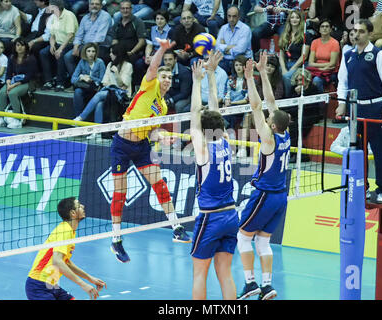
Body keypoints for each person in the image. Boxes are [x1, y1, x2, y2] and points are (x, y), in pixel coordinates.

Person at [109, 38, 191, 264]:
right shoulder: (150, 85)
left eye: (169, 78)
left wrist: (163, 138)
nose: (166, 80)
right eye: (164, 76)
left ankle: (176, 226)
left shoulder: (163, 106)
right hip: (122, 147)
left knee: (159, 184)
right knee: (120, 194)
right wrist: (163, 49)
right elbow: (153, 67)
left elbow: (152, 132)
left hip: (142, 147)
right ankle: (116, 239)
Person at [237, 51, 290, 300]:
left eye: (270, 119)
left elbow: (257, 105)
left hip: (265, 195)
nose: (267, 117)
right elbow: (270, 102)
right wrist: (262, 72)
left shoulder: (268, 138)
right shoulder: (285, 134)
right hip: (281, 197)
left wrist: (249, 78)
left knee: (242, 237)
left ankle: (250, 283)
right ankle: (267, 286)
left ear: (274, 125)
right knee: (263, 243)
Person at [189, 50, 238, 300]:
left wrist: (197, 80)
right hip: (231, 215)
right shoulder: (226, 140)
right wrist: (210, 75)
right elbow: (214, 111)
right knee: (225, 274)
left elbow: (196, 114)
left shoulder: (203, 147)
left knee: (199, 273)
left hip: (210, 218)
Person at [336, 19, 382, 204]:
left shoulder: (379, 54)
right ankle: (362, 188)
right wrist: (341, 103)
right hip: (355, 110)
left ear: (369, 34)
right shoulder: (348, 55)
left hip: (376, 108)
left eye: (361, 31)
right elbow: (342, 82)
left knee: (380, 152)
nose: (356, 34)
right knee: (357, 152)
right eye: (354, 31)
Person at [25, 197, 107, 300]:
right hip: (38, 286)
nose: (83, 206)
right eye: (79, 206)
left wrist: (90, 279)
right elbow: (57, 262)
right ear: (73, 213)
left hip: (51, 285)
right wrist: (83, 284)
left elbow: (66, 262)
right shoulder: (65, 230)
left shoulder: (70, 230)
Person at [73, 43, 132, 126]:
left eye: (112, 53)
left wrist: (116, 74)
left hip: (122, 95)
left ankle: (81, 117)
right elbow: (104, 82)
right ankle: (97, 133)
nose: (110, 54)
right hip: (110, 91)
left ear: (118, 54)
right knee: (99, 103)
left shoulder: (128, 66)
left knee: (100, 95)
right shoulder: (110, 64)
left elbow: (123, 85)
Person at [0, 38, 38, 129]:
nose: (19, 47)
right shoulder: (12, 57)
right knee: (2, 92)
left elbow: (28, 76)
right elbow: (9, 73)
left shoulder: (31, 59)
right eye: (17, 45)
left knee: (12, 93)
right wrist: (8, 83)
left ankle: (17, 119)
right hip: (13, 81)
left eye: (22, 45)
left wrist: (13, 86)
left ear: (26, 47)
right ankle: (2, 118)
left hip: (27, 82)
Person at [64, 0, 112, 77]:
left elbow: (99, 38)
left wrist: (86, 50)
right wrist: (76, 47)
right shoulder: (85, 18)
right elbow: (79, 35)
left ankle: (91, 82)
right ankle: (76, 81)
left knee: (88, 55)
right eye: (92, 4)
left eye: (97, 4)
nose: (94, 6)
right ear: (89, 5)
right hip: (84, 45)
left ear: (101, 6)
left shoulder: (105, 16)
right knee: (68, 56)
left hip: (100, 46)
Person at [39, 0, 78, 91]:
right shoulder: (53, 17)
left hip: (70, 43)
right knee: (43, 53)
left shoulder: (69, 15)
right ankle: (49, 81)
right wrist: (52, 45)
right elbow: (52, 34)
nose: (48, 8)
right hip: (58, 42)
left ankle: (61, 83)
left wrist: (60, 49)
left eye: (50, 6)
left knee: (60, 54)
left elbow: (70, 34)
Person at [109, 0, 147, 87]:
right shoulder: (117, 23)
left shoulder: (137, 22)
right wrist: (114, 52)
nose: (125, 10)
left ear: (131, 9)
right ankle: (112, 85)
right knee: (107, 57)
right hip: (120, 51)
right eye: (123, 8)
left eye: (127, 8)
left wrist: (132, 52)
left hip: (134, 52)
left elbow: (142, 41)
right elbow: (115, 40)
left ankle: (134, 87)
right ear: (120, 10)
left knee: (136, 63)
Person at [278, 10, 311, 98]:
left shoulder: (305, 35)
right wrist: (284, 68)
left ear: (300, 20)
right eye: (292, 17)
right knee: (274, 74)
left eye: (297, 17)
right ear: (289, 20)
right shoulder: (285, 34)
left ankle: (287, 99)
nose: (294, 19)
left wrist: (293, 68)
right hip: (285, 63)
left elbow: (304, 56)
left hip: (298, 64)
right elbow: (281, 55)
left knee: (286, 77)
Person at [71, 42, 106, 121]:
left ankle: (80, 118)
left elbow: (103, 80)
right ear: (85, 52)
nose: (91, 53)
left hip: (95, 88)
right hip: (85, 87)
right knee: (77, 91)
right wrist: (82, 77)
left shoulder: (100, 62)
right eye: (89, 51)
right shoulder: (82, 62)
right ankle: (78, 117)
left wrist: (91, 78)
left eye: (93, 51)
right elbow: (73, 79)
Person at [215, 5, 252, 75]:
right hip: (225, 59)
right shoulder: (223, 28)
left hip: (241, 60)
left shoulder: (245, 29)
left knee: (234, 65)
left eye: (234, 16)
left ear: (239, 17)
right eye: (229, 16)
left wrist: (224, 47)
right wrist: (232, 46)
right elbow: (217, 47)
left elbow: (240, 49)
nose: (231, 19)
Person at [307, 19, 340, 93]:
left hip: (331, 72)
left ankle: (321, 103)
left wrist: (319, 67)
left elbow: (333, 64)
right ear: (319, 30)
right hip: (317, 70)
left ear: (331, 29)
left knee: (316, 80)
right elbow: (310, 63)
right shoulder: (314, 42)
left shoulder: (335, 43)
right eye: (322, 26)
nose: (324, 28)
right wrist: (321, 68)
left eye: (327, 26)